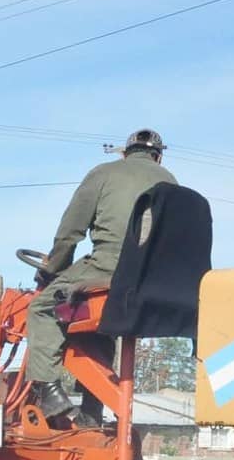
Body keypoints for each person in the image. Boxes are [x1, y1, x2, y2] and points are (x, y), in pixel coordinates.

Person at [25, 128, 178, 422]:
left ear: (125, 152)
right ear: (158, 157)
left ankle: (49, 393)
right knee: (97, 325)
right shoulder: (171, 182)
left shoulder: (104, 173)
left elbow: (70, 232)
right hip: (154, 280)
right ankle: (92, 409)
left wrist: (53, 269)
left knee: (42, 309)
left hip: (109, 267)